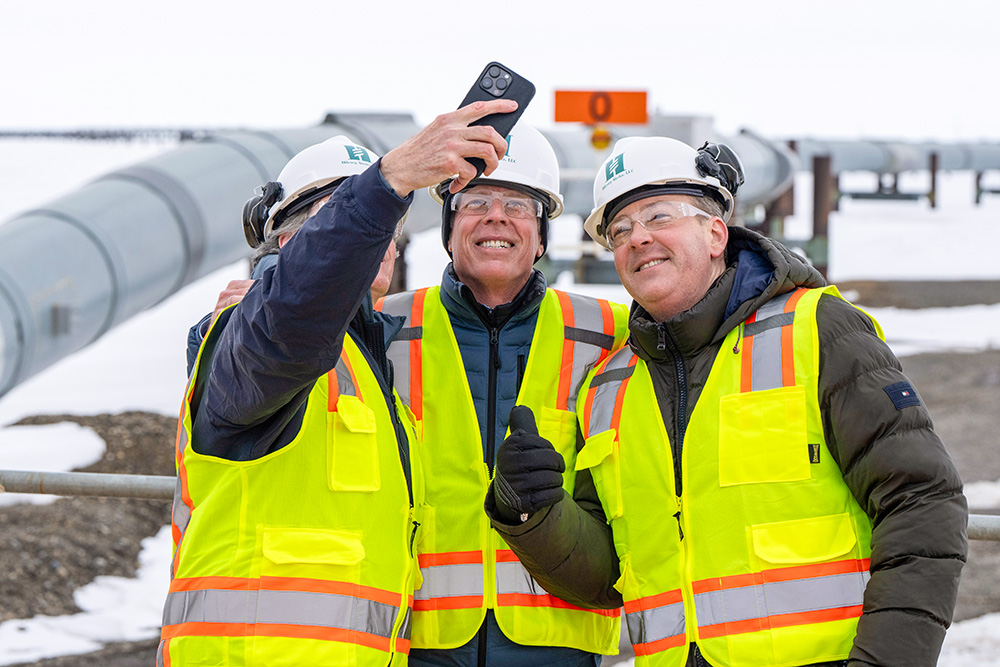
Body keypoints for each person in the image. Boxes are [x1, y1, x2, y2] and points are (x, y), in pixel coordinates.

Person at [487, 136, 968, 667]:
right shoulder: (608, 385)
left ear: (716, 232)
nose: (637, 238)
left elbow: (923, 501)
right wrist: (533, 513)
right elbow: (610, 578)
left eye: (658, 216)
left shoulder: (816, 331)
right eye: (618, 230)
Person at [158, 100, 518, 667]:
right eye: (342, 218)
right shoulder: (257, 336)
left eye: (389, 227)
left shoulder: (371, 371)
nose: (379, 239)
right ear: (286, 242)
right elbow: (299, 309)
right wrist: (389, 182)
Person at [375, 123, 631, 666]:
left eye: (519, 204)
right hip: (418, 642)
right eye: (476, 201)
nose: (496, 216)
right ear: (448, 228)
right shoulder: (381, 329)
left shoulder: (613, 333)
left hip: (561, 641)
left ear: (541, 235)